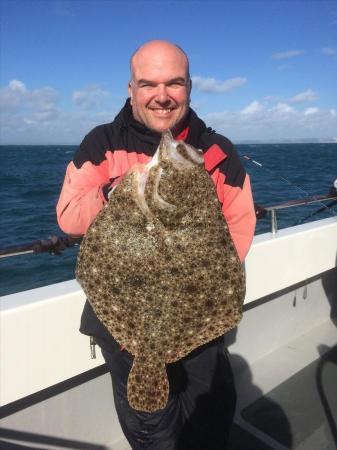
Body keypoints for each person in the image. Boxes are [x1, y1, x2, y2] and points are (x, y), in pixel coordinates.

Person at [57, 40, 256, 450]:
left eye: (174, 83)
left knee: (211, 419)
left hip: (198, 326)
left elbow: (239, 228)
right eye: (148, 84)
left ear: (189, 88)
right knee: (153, 432)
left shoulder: (218, 151)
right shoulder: (101, 142)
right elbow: (69, 216)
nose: (161, 95)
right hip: (125, 331)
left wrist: (201, 295)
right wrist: (118, 193)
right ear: (131, 89)